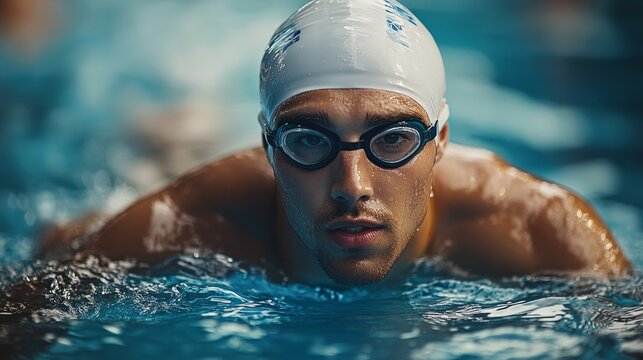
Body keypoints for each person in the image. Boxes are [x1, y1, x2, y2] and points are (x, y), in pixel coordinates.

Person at [38, 0, 631, 286]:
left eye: (394, 138)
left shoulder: (541, 231)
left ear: (442, 140)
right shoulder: (186, 224)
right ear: (269, 147)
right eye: (307, 140)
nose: (352, 187)